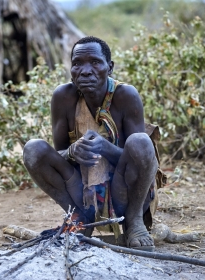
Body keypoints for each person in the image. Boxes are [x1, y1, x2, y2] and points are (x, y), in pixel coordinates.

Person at [23, 36, 161, 251]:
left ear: (110, 67)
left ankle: (134, 223)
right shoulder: (63, 97)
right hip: (82, 192)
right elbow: (57, 153)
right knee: (33, 149)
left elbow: (140, 156)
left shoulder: (126, 95)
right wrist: (72, 152)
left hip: (124, 191)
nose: (86, 70)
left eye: (95, 62)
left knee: (141, 141)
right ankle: (79, 219)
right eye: (78, 63)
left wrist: (106, 148)